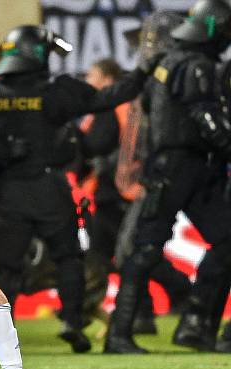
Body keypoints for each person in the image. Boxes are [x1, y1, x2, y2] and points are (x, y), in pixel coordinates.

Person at [0, 25, 154, 354]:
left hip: (9, 191)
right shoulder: (56, 92)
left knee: (5, 267)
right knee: (69, 259)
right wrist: (143, 72)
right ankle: (72, 322)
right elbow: (110, 96)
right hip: (50, 189)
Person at [105, 0, 231, 353]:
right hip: (185, 168)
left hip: (169, 166)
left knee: (147, 249)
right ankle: (187, 323)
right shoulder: (197, 66)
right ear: (212, 30)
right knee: (146, 249)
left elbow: (148, 109)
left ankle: (185, 326)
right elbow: (207, 123)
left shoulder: (165, 62)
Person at [80, 58, 190, 334]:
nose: (87, 79)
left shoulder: (110, 105)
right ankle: (141, 312)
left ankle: (174, 294)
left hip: (114, 190)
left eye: (91, 74)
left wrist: (72, 141)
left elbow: (97, 144)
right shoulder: (133, 102)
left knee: (120, 254)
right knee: (126, 254)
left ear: (106, 79)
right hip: (126, 187)